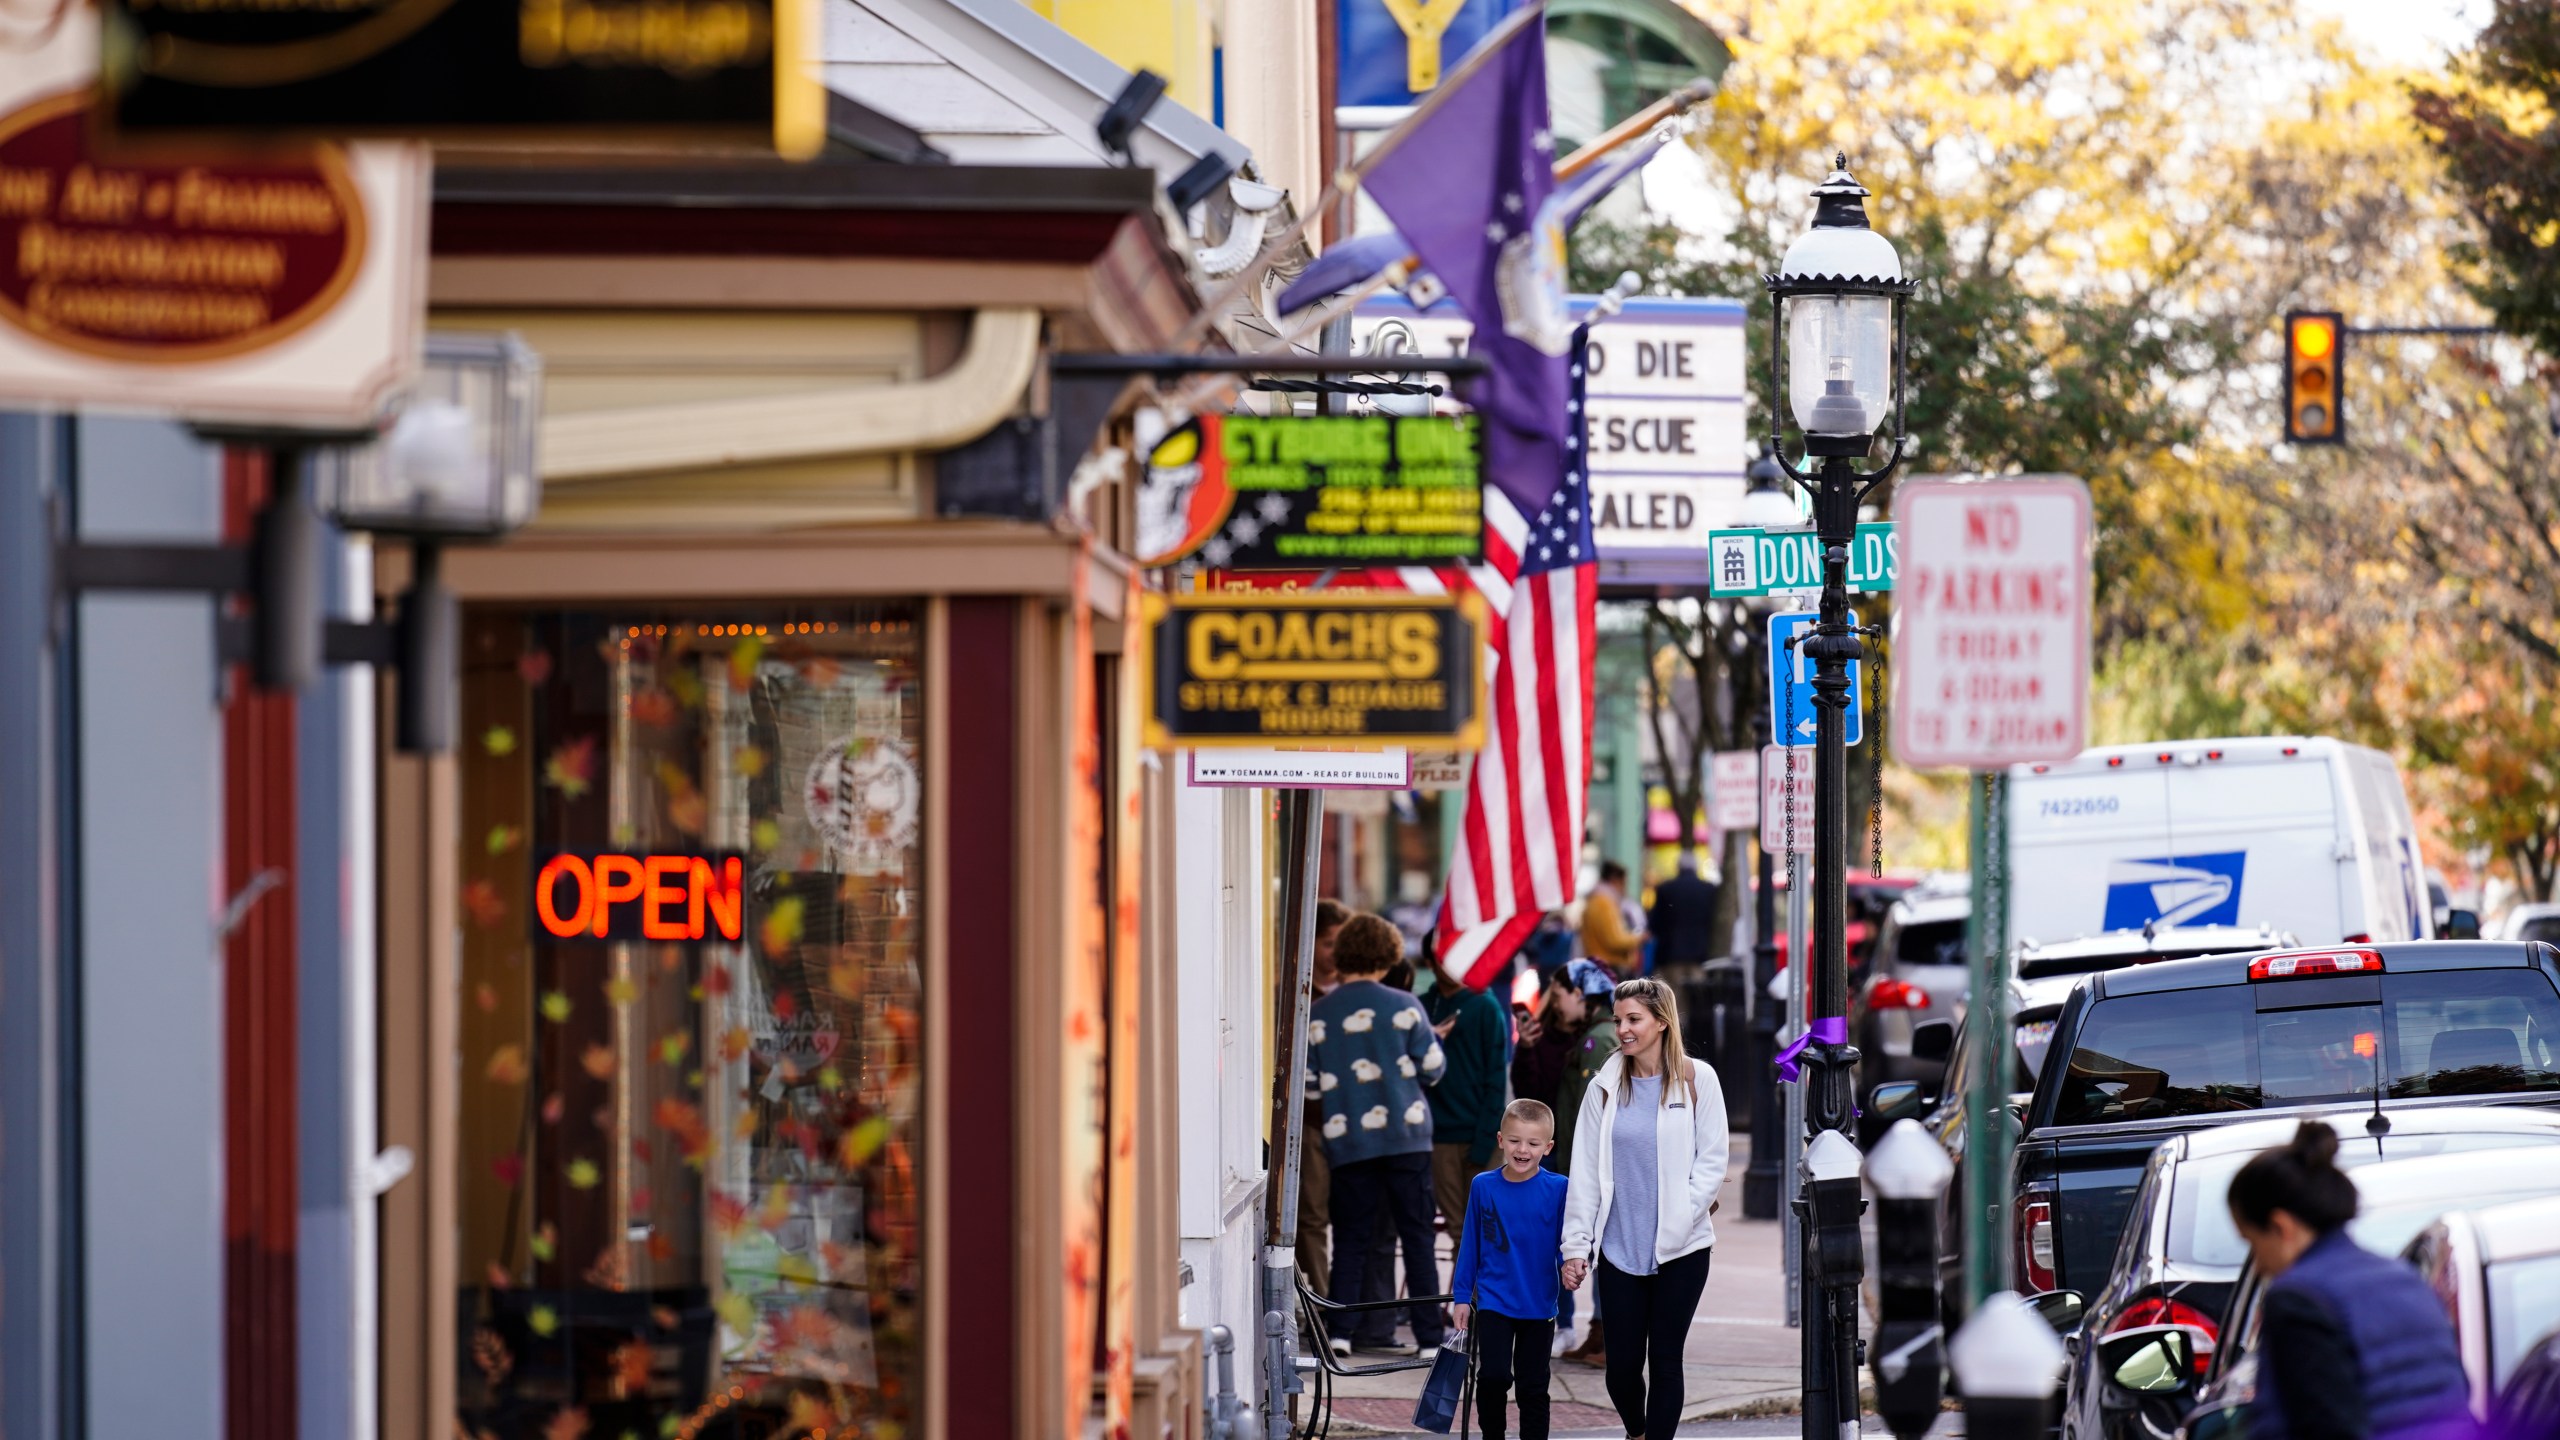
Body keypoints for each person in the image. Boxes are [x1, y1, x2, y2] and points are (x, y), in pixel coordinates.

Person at [1560, 978, 1730, 1440]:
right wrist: (1576, 1247)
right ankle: (1637, 1432)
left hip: (1683, 1249)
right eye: (1619, 1020)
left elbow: (1712, 1161)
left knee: (1666, 1359)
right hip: (1619, 1251)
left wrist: (1680, 1218)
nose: (1624, 1030)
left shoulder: (1699, 1079)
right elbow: (1586, 1173)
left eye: (1633, 1019)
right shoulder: (1604, 1086)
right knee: (1621, 1372)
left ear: (1661, 1021)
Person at [2230, 1122, 2473, 1440]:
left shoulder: (2299, 1297)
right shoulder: (2406, 1279)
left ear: (2281, 1227)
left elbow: (2324, 1426)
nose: (2259, 1265)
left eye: (2252, 1242)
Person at [1309, 912, 1448, 1357]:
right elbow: (1434, 1068)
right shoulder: (1405, 1006)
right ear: (1389, 956)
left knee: (1350, 1237)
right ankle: (1429, 1337)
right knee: (1417, 1236)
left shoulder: (1320, 1014)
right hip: (1407, 1137)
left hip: (1348, 1140)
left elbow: (1310, 1085)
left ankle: (1341, 1332)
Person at [1450, 1100, 1570, 1440]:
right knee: (1493, 1377)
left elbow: (1567, 1243)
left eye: (1533, 1143)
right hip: (1494, 1302)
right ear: (1501, 1140)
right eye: (1515, 1140)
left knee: (1533, 1386)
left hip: (1539, 1304)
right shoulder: (1483, 1185)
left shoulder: (1560, 1188)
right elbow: (1470, 1243)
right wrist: (1461, 1296)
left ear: (1547, 1148)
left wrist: (1570, 1268)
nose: (1523, 1150)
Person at [1543, 959, 1622, 1363]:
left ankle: (1606, 1338)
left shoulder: (1597, 1041)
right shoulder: (1598, 1035)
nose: (1555, 1004)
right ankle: (1600, 1335)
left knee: (1601, 1248)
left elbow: (1597, 1112)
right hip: (1586, 1161)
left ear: (1580, 993)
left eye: (1558, 995)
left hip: (1588, 1164)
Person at [1427, 949, 1510, 1256]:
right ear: (1430, 962)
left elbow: (1496, 1080)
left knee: (1488, 1233)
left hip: (1481, 1136)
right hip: (1440, 1139)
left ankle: (1487, 1304)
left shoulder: (1485, 1006)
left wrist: (1486, 1140)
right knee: (1460, 1232)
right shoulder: (1423, 1007)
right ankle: (1469, 1304)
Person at [1298, 900, 1349, 1296]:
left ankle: (1351, 1299)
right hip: (1312, 1117)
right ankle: (1322, 1295)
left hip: (1355, 1122)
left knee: (1354, 1215)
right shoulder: (1297, 991)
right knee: (1312, 1213)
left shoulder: (1357, 993)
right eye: (1329, 942)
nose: (1335, 951)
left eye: (1341, 942)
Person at [1646, 854, 1720, 976]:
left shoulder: (1665, 889)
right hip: (1699, 953)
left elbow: (1655, 923)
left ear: (1678, 867)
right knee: (1697, 992)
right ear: (1696, 868)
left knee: (1673, 993)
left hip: (1671, 953)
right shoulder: (1708, 890)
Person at [1581, 862, 1641, 976]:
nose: (1624, 888)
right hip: (1608, 965)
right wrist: (1638, 939)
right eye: (1623, 883)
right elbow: (1614, 940)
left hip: (1598, 964)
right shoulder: (1604, 903)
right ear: (1615, 880)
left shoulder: (1596, 900)